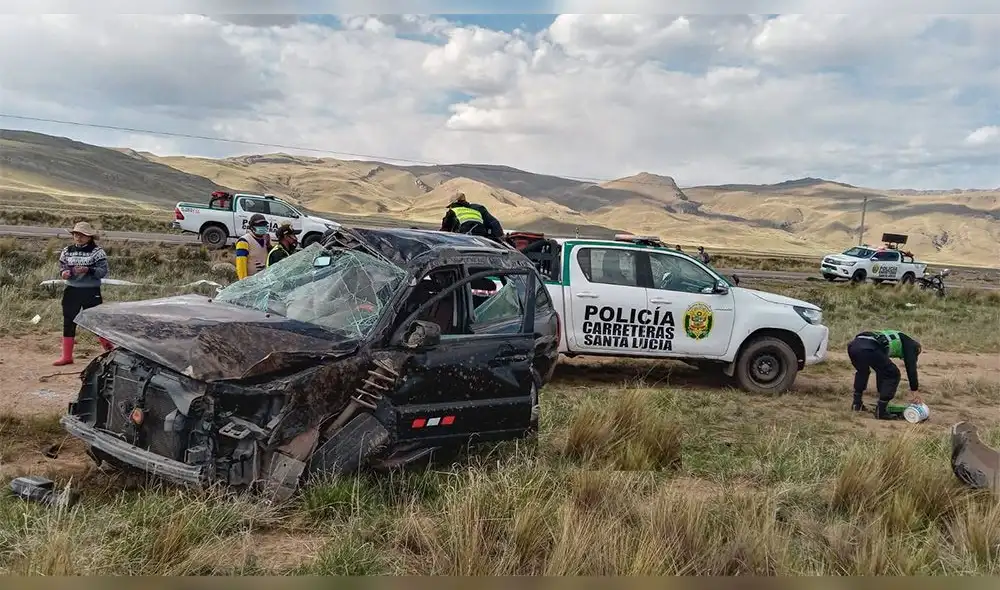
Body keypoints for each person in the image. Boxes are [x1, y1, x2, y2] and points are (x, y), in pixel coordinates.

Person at [53, 222, 114, 366]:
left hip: (91, 291)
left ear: (89, 237)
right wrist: (64, 273)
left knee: (96, 322)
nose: (78, 237)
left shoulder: (97, 252)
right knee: (68, 322)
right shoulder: (67, 251)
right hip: (72, 290)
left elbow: (103, 272)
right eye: (76, 234)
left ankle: (111, 352)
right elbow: (62, 267)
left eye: (82, 235)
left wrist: (88, 270)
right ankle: (67, 357)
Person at [847, 329, 922, 419]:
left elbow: (881, 372)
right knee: (893, 373)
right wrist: (914, 390)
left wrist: (881, 392)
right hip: (869, 348)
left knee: (863, 371)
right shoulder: (912, 345)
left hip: (853, 346)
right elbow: (911, 368)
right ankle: (881, 412)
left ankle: (857, 404)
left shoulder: (891, 339)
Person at [235, 213, 272, 280]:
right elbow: (241, 265)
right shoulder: (244, 241)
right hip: (250, 280)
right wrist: (243, 281)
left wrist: (268, 245)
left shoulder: (265, 240)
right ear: (252, 227)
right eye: (259, 225)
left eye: (264, 225)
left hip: (264, 278)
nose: (262, 227)